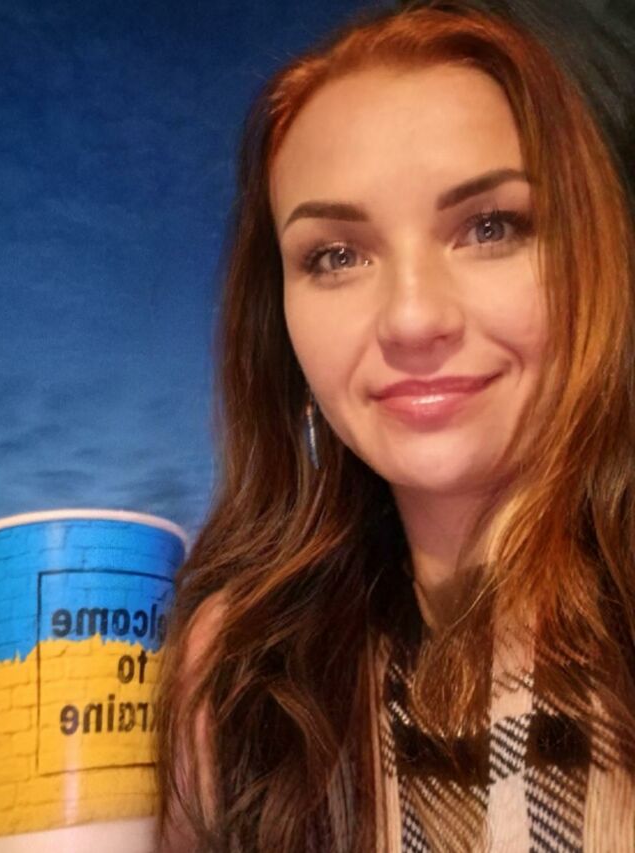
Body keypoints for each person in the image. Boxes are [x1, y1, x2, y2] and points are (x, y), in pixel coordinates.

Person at [156, 1, 635, 850]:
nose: (412, 319)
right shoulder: (237, 681)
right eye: (336, 255)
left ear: (594, 262)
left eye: (489, 227)